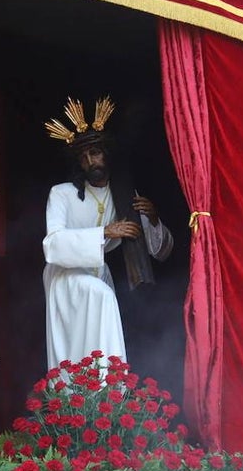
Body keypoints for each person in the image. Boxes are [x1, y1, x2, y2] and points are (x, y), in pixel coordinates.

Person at [41, 96, 173, 369]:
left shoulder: (123, 196)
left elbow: (161, 252)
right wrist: (104, 232)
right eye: (84, 156)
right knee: (98, 301)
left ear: (107, 154)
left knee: (101, 307)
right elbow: (52, 245)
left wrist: (153, 219)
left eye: (96, 153)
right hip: (65, 278)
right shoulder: (62, 194)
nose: (91, 161)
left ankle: (106, 397)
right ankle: (97, 389)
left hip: (98, 276)